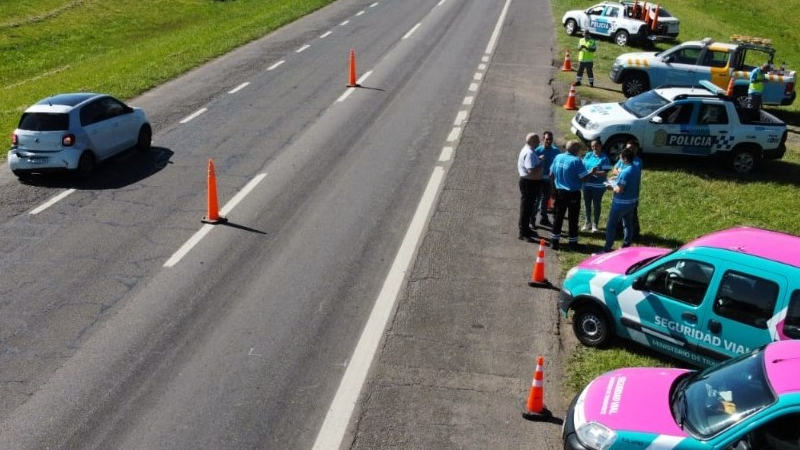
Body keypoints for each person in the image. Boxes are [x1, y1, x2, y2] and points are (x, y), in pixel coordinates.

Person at [550, 140, 596, 251]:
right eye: (579, 148)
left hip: (559, 191)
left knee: (558, 217)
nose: (580, 151)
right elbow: (583, 178)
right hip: (572, 194)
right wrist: (592, 172)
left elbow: (551, 174)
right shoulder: (576, 161)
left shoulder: (558, 157)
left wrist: (553, 189)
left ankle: (554, 241)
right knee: (573, 218)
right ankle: (572, 243)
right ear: (575, 149)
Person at [603, 145, 641, 252]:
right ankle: (627, 244)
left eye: (620, 158)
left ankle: (607, 248)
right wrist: (616, 178)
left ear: (624, 158)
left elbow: (619, 189)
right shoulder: (635, 168)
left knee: (611, 225)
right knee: (628, 224)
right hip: (632, 202)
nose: (619, 159)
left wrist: (610, 186)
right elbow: (627, 181)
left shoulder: (625, 172)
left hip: (620, 204)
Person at [581, 139, 611, 233]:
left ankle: (595, 225)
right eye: (592, 146)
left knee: (596, 205)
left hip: (598, 186)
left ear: (600, 146)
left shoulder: (604, 157)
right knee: (587, 204)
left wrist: (595, 173)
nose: (594, 148)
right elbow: (582, 166)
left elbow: (606, 172)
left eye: (596, 146)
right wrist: (588, 173)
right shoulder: (588, 155)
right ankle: (587, 222)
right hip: (586, 184)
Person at [517, 133, 542, 242]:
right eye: (537, 141)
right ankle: (523, 232)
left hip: (529, 182)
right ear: (532, 141)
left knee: (528, 207)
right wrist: (541, 163)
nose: (539, 142)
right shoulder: (530, 153)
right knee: (526, 209)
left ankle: (526, 228)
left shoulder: (528, 150)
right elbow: (531, 170)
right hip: (529, 183)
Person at [534, 131, 560, 228]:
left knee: (545, 200)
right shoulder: (537, 150)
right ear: (543, 139)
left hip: (550, 180)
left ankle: (543, 218)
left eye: (550, 140)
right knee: (537, 200)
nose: (549, 141)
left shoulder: (556, 151)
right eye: (547, 139)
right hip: (539, 179)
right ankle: (532, 220)